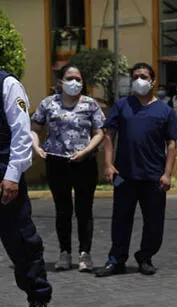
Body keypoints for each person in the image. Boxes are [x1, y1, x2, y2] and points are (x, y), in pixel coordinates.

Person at [95, 62, 177, 277]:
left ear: (153, 81)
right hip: (125, 174)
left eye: (144, 76)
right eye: (135, 76)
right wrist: (108, 164)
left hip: (153, 176)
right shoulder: (122, 105)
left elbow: (172, 143)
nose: (139, 80)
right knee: (120, 219)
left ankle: (145, 256)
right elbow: (109, 134)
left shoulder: (165, 110)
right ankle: (116, 260)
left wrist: (167, 173)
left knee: (154, 222)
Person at [31, 64, 105, 272]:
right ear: (60, 82)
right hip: (56, 162)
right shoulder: (48, 104)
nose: (75, 83)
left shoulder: (91, 105)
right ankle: (64, 253)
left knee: (84, 210)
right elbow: (35, 128)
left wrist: (86, 150)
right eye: (70, 78)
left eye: (78, 79)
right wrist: (36, 145)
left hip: (84, 163)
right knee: (63, 210)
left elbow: (99, 132)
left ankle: (85, 254)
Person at [0, 69, 53, 307]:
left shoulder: (8, 84)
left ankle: (38, 299)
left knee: (21, 240)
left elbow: (21, 133)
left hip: (3, 178)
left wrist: (12, 175)